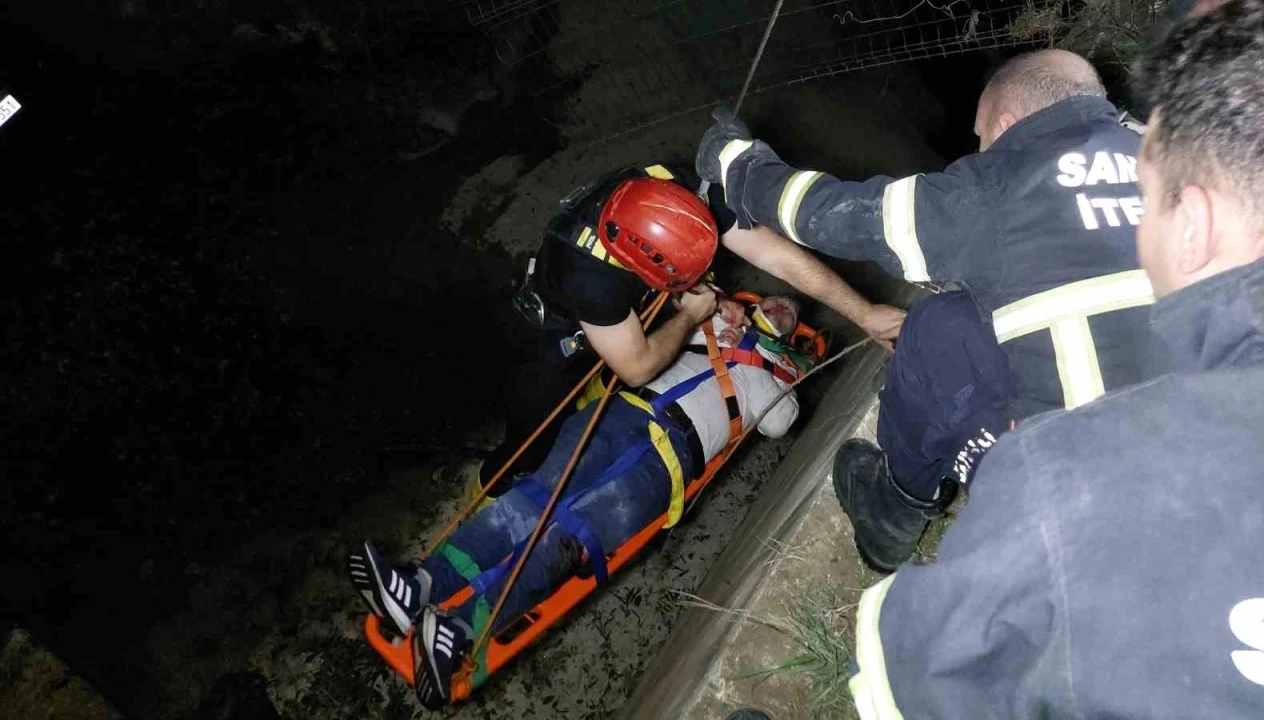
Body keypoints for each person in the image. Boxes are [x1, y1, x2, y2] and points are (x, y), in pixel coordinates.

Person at [848, 2, 1264, 717]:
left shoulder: (1061, 485)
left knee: (939, 329)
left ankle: (892, 511)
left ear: (1196, 226)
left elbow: (906, 671)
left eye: (1145, 197)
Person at [697, 49, 1166, 571]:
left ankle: (894, 508)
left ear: (1008, 124)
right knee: (971, 315)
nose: (981, 151)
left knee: (934, 330)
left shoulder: (991, 191)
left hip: (1095, 508)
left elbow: (828, 214)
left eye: (983, 137)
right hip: (1235, 438)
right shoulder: (1177, 154)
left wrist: (735, 165)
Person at [352, 294, 811, 709]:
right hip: (618, 413)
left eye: (788, 313)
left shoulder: (770, 381)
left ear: (788, 337)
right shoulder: (702, 327)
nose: (779, 307)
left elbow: (779, 424)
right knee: (527, 502)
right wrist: (713, 313)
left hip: (667, 460)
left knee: (568, 540)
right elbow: (658, 332)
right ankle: (422, 587)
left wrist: (769, 357)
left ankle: (458, 629)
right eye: (773, 300)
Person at [487, 164, 901, 498]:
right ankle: (495, 489)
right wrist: (690, 316)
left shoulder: (675, 190)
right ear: (644, 268)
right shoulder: (589, 278)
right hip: (552, 343)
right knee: (531, 438)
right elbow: (637, 367)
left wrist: (863, 312)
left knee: (592, 406)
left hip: (618, 313)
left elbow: (775, 255)